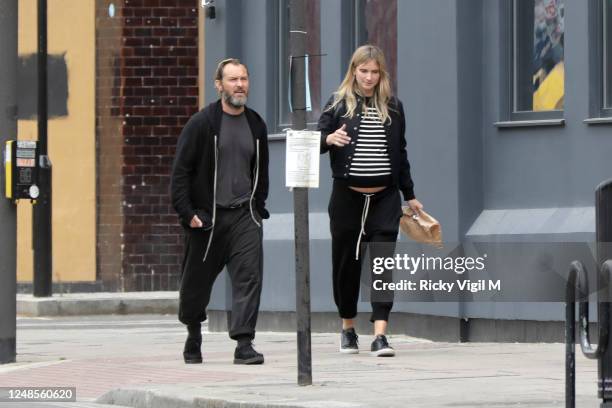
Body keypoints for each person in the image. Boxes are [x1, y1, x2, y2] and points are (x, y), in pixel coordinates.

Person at [318, 45, 423, 357]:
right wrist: (327, 139)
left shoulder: (393, 107)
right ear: (354, 71)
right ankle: (348, 328)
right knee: (346, 267)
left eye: (374, 72)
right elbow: (313, 142)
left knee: (382, 265)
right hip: (347, 199)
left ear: (381, 74)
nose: (369, 77)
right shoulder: (336, 105)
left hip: (384, 200)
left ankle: (380, 334)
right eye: (363, 71)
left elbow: (400, 154)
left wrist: (411, 194)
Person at [171, 58, 269, 365]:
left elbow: (261, 172)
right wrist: (188, 214)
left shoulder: (256, 124)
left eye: (244, 78)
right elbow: (180, 174)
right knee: (195, 286)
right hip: (208, 219)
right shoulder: (202, 124)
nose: (240, 85)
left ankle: (244, 343)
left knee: (249, 278)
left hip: (244, 217)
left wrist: (257, 208)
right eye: (232, 80)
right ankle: (193, 332)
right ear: (219, 85)